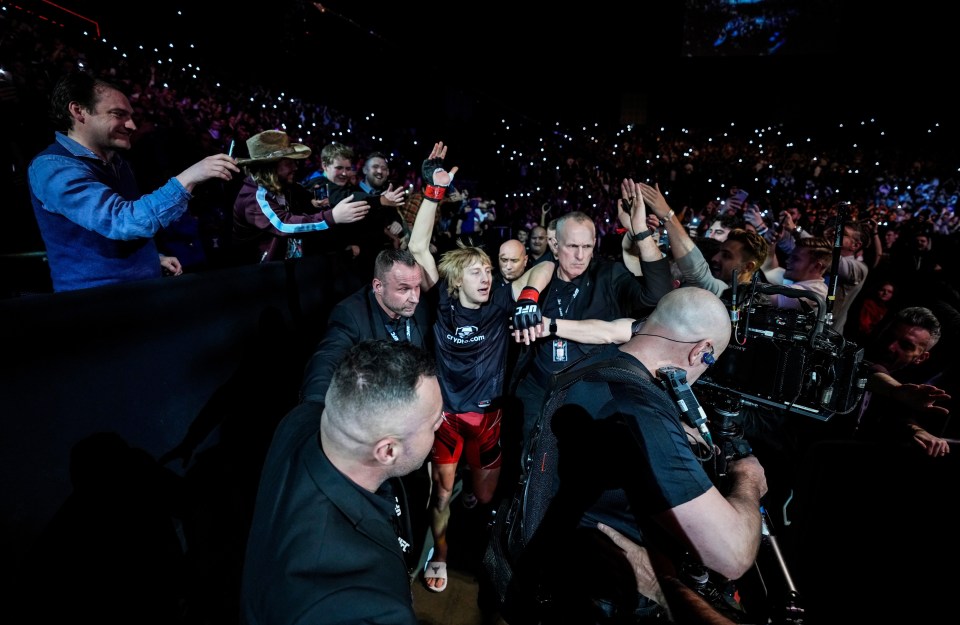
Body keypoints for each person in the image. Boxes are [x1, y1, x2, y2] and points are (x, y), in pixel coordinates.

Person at [506, 287, 767, 624]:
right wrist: (747, 480)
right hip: (594, 606)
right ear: (700, 351)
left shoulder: (595, 362)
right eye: (709, 361)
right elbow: (734, 555)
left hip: (545, 579)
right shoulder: (639, 414)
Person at [407, 142, 556, 593]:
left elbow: (544, 266)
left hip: (488, 418)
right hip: (448, 416)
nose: (487, 276)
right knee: (444, 493)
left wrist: (528, 296)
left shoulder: (499, 304)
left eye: (489, 269)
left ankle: (475, 486)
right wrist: (433, 193)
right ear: (456, 280)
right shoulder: (443, 301)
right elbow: (416, 245)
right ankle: (442, 552)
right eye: (476, 271)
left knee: (485, 495)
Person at [240, 340, 443, 625]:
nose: (441, 424)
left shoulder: (299, 421)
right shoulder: (358, 604)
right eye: (434, 422)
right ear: (387, 451)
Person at [27, 71, 240, 292]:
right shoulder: (54, 167)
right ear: (78, 111)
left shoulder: (118, 163)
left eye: (130, 116)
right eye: (118, 114)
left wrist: (150, 258)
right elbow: (122, 221)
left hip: (136, 295)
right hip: (94, 305)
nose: (132, 126)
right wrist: (189, 177)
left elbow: (106, 236)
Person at [512, 179, 674, 451]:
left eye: (586, 247)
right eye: (571, 246)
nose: (579, 256)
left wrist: (641, 232)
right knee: (528, 460)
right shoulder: (540, 276)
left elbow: (658, 296)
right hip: (536, 390)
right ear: (555, 245)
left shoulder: (608, 276)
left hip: (587, 393)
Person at [231, 130, 369, 263]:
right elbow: (283, 224)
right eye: (289, 162)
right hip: (258, 277)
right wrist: (332, 216)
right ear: (271, 166)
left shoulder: (287, 186)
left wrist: (313, 204)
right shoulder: (253, 197)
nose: (295, 167)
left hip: (287, 269)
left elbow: (308, 208)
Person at [855, 306, 952, 457]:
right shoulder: (853, 353)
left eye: (905, 345)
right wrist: (896, 391)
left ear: (921, 357)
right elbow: (869, 372)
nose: (890, 347)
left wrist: (916, 430)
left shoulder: (911, 383)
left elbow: (895, 414)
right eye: (888, 336)